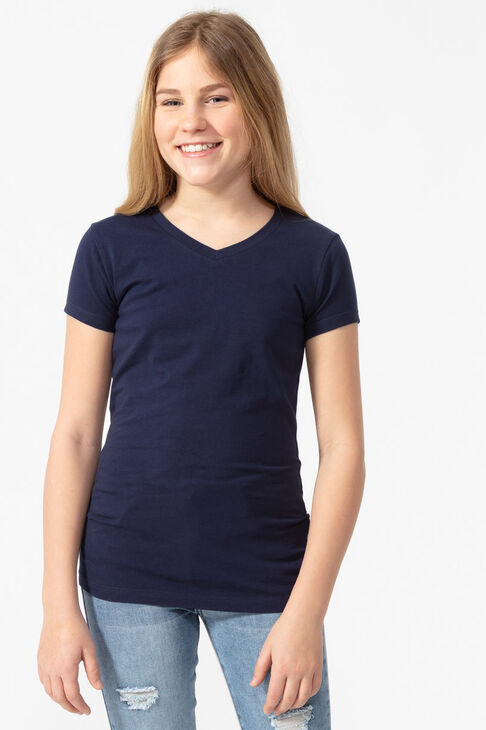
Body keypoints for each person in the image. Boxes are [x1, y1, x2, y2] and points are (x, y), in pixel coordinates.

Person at [37, 10, 365, 730]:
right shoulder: (110, 250)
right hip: (128, 576)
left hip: (268, 575)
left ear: (257, 104)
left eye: (217, 97)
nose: (192, 120)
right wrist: (59, 605)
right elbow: (76, 432)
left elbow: (343, 447)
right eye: (171, 100)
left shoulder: (314, 256)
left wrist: (307, 610)